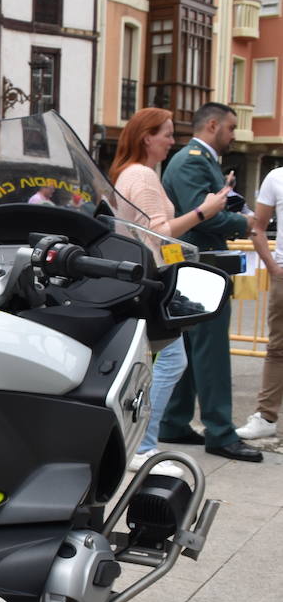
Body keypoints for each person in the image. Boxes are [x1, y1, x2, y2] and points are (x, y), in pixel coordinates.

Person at [109, 107, 230, 472]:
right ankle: (141, 443)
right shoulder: (143, 176)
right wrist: (205, 211)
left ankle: (139, 440)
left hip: (141, 279)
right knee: (171, 360)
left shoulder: (132, 172)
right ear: (148, 137)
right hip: (151, 281)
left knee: (157, 361)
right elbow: (158, 235)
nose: (171, 141)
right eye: (167, 133)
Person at [158, 102, 259, 462]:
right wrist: (242, 223)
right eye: (231, 128)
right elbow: (199, 218)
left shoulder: (199, 161)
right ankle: (220, 432)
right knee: (210, 351)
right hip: (200, 266)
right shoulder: (192, 161)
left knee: (189, 346)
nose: (234, 135)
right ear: (213, 125)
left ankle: (173, 421)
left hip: (197, 265)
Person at [236, 164, 283, 441]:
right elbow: (258, 228)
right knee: (278, 348)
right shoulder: (275, 178)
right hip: (282, 274)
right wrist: (273, 267)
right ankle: (266, 416)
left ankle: (266, 416)